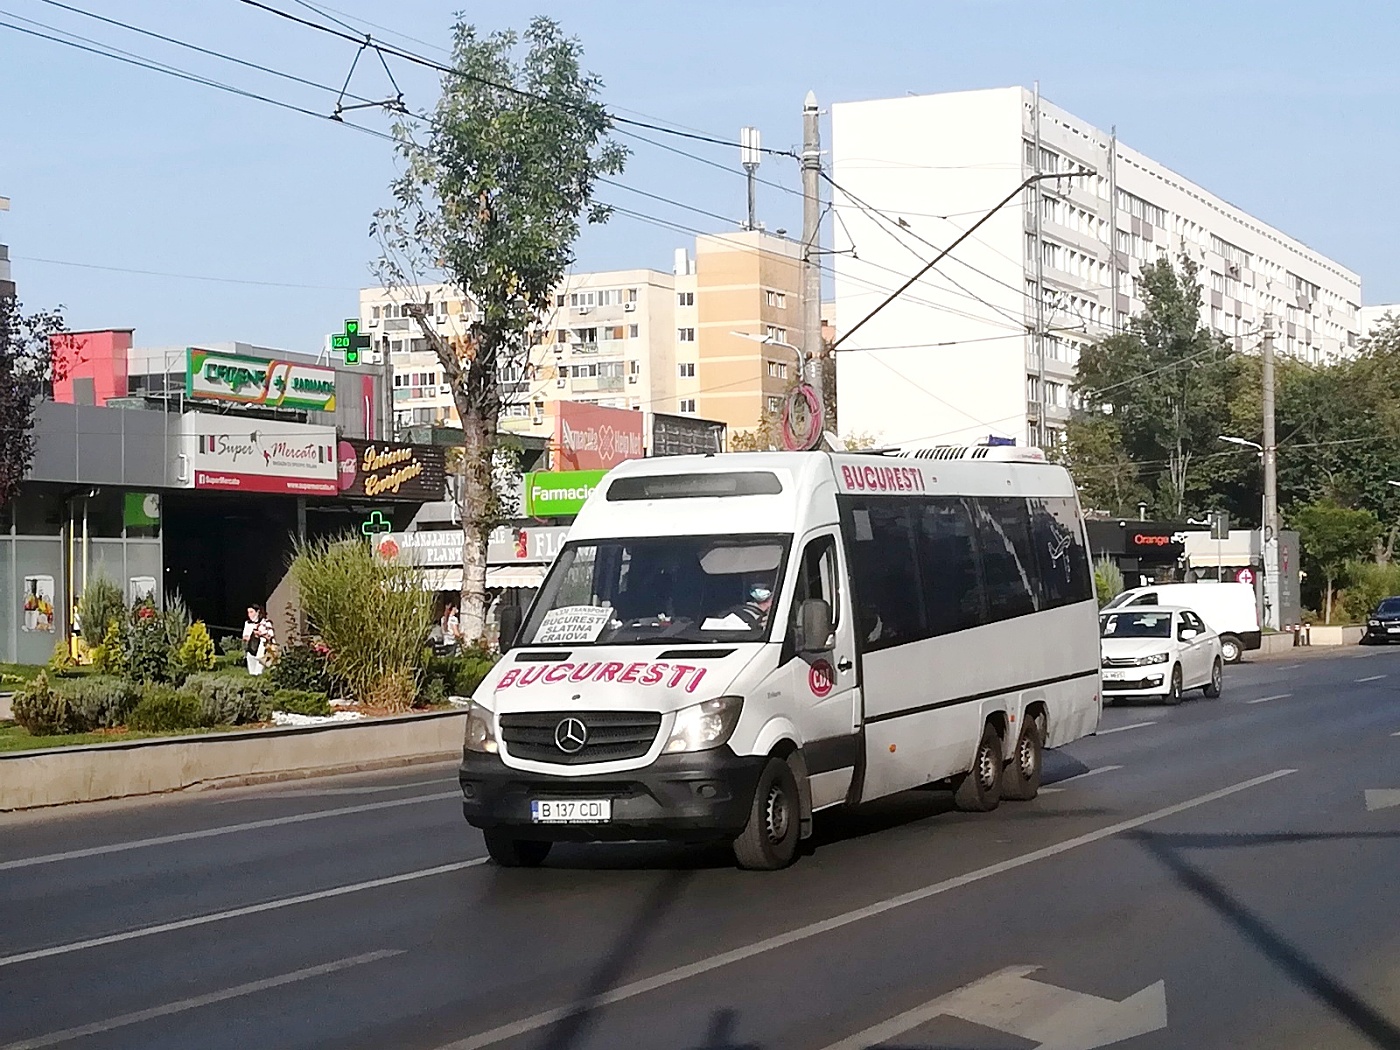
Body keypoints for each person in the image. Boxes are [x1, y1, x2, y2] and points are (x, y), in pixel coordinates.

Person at [242, 604, 275, 676]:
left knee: (259, 672)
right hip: (251, 649)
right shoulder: (248, 623)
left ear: (257, 612)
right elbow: (245, 636)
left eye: (251, 612)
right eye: (248, 612)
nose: (249, 615)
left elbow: (270, 636)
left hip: (262, 650)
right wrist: (253, 635)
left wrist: (261, 635)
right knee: (251, 672)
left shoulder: (266, 623)